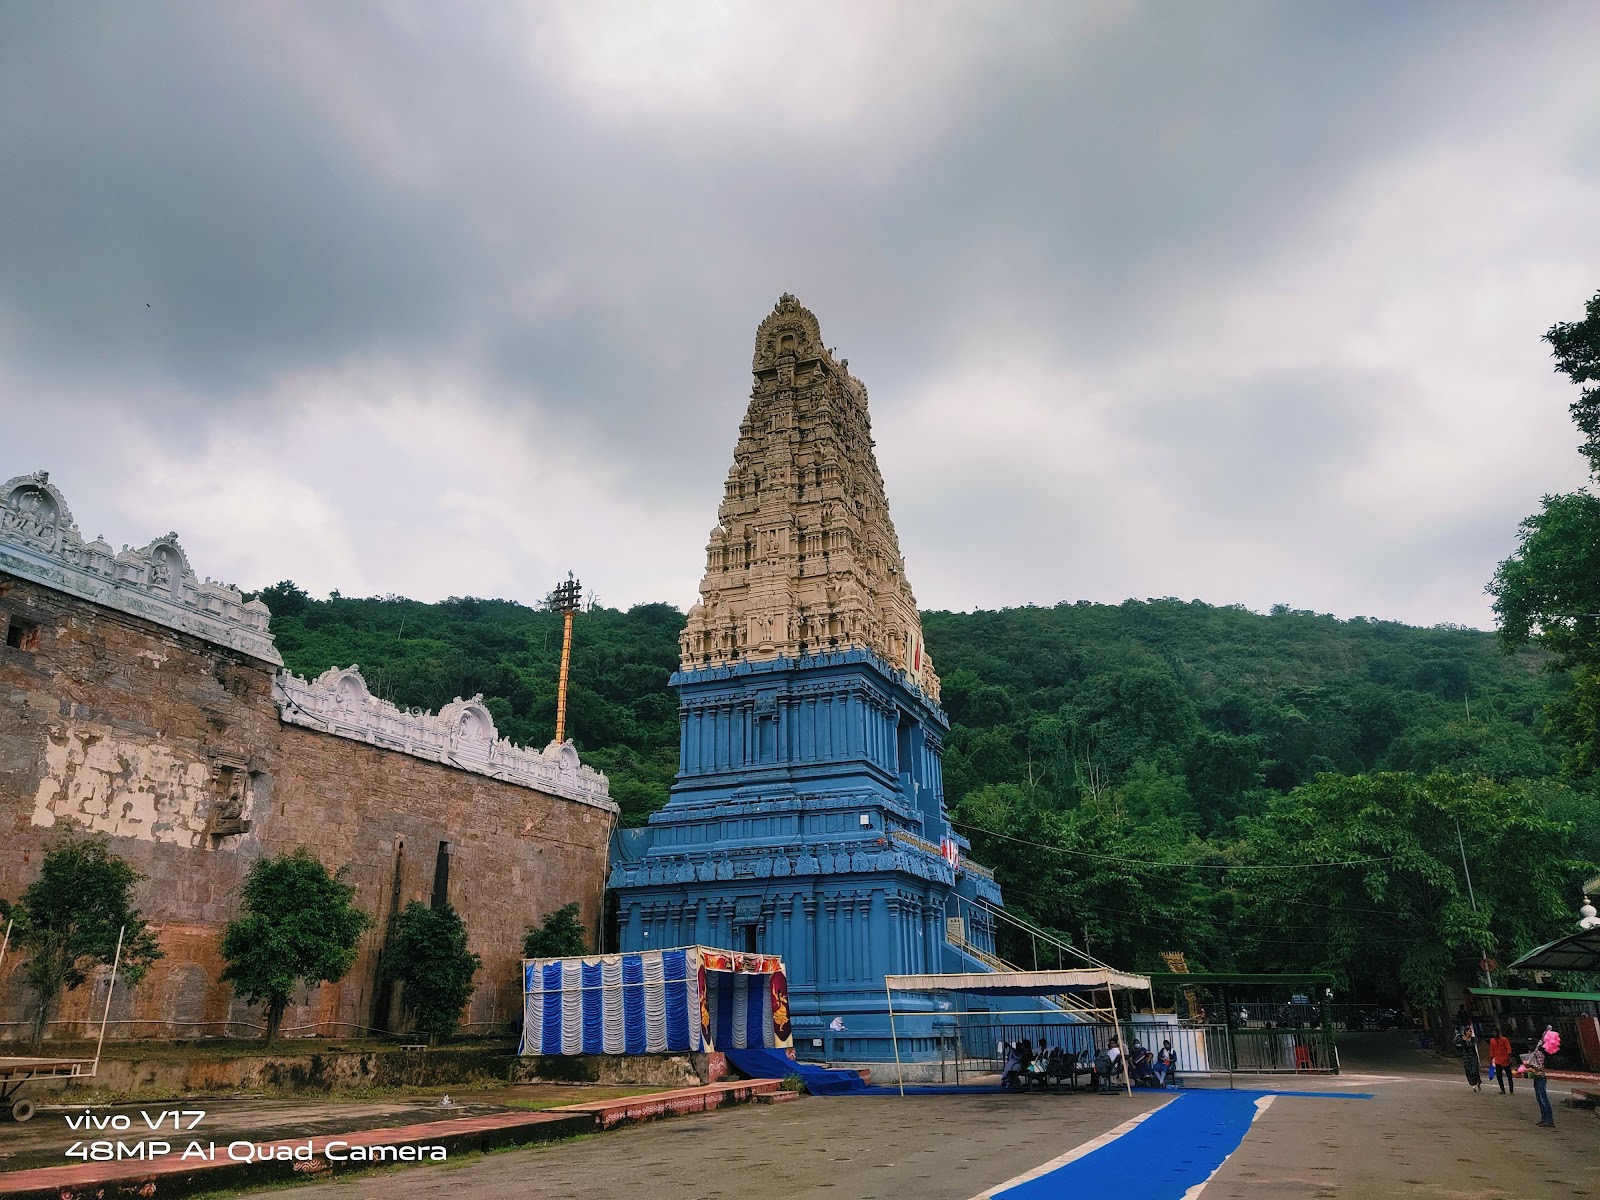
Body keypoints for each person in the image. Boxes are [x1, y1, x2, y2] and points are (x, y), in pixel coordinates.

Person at [1522, 1033, 1554, 1127]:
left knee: (1543, 1099)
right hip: (1536, 1078)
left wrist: (1530, 1066)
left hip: (1540, 1077)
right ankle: (1544, 1119)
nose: (1530, 1046)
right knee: (1539, 1099)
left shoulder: (1538, 1054)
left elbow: (1540, 1067)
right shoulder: (1530, 1054)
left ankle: (1549, 1120)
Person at [1455, 1025, 1482, 1092]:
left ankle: (1478, 1081)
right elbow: (1456, 1043)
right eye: (1469, 1031)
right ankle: (1473, 1084)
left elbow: (1473, 1045)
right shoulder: (1461, 1038)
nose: (1470, 1033)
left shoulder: (1474, 1039)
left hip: (1473, 1056)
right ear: (1466, 1032)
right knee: (1469, 1071)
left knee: (1474, 1070)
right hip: (1466, 1057)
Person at [1489, 1029, 1514, 1095]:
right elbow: (1492, 1050)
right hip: (1498, 1060)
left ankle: (1511, 1090)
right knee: (1499, 1076)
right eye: (1493, 1032)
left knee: (1509, 1076)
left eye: (1495, 1032)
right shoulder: (1492, 1041)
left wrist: (1509, 1056)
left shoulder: (1504, 1039)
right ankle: (1502, 1090)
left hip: (1505, 1059)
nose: (1494, 1034)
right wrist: (1491, 1059)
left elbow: (1508, 1048)